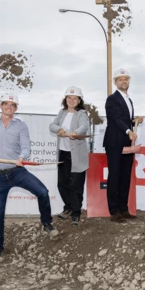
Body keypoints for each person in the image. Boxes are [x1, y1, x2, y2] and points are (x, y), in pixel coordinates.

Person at [0, 92, 57, 263]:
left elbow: (26, 146)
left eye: (12, 105)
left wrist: (22, 157)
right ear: (0, 106)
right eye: (6, 104)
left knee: (42, 192)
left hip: (16, 171)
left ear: (16, 108)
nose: (9, 107)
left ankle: (46, 223)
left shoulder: (21, 126)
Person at [103, 68, 142, 223]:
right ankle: (114, 211)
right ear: (115, 82)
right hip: (114, 143)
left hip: (126, 142)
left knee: (125, 176)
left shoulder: (129, 100)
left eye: (125, 79)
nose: (123, 81)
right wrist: (128, 130)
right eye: (120, 79)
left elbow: (124, 119)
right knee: (114, 176)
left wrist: (134, 121)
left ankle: (124, 209)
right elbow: (115, 119)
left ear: (129, 81)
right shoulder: (112, 99)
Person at [49, 86, 90, 226]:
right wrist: (59, 129)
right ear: (65, 100)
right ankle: (68, 208)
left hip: (77, 155)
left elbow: (84, 127)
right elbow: (52, 126)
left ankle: (76, 212)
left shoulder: (82, 114)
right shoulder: (62, 113)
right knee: (62, 183)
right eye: (69, 98)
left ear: (79, 100)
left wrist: (75, 132)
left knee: (76, 185)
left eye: (74, 98)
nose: (71, 100)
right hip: (63, 153)